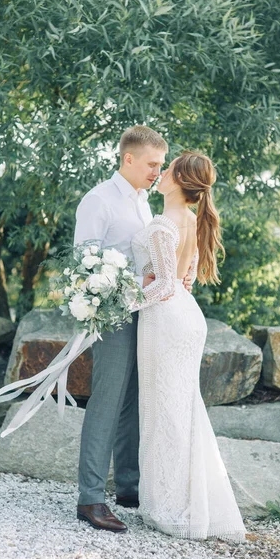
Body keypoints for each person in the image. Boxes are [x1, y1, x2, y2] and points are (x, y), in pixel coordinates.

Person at [75, 126, 192, 533]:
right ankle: (90, 498)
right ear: (128, 159)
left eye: (162, 166)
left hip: (152, 316)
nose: (158, 173)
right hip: (115, 316)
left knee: (135, 404)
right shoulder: (98, 201)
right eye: (152, 165)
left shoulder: (146, 204)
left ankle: (129, 487)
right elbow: (83, 266)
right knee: (106, 403)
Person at [130, 151, 247, 541]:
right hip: (187, 318)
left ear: (179, 180)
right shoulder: (195, 221)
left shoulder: (163, 224)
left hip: (165, 322)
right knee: (180, 410)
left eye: (168, 169)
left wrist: (118, 301)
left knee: (164, 411)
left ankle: (170, 508)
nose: (160, 174)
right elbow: (184, 283)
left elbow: (163, 287)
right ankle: (180, 503)